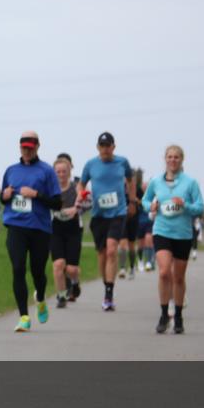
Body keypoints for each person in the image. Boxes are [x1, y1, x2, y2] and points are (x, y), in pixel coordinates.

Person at [1, 132, 62, 331]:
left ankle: (41, 298)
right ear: (19, 148)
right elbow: (3, 198)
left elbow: (57, 203)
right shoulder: (11, 170)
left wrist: (36, 194)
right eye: (23, 147)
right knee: (18, 268)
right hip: (16, 227)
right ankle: (24, 316)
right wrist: (5, 195)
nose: (26, 151)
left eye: (30, 147)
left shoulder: (46, 171)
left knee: (37, 272)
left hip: (39, 228)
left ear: (37, 147)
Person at [142, 145, 204, 334]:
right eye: (169, 157)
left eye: (176, 157)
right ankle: (163, 314)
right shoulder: (156, 182)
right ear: (165, 159)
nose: (173, 160)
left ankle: (178, 316)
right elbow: (145, 201)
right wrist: (151, 206)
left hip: (183, 234)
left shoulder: (190, 183)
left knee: (178, 277)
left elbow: (200, 207)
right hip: (161, 231)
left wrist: (185, 206)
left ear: (182, 159)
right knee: (163, 272)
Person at [79, 132, 135, 311]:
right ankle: (106, 284)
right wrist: (82, 193)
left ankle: (109, 294)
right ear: (98, 147)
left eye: (108, 146)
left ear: (113, 147)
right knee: (102, 254)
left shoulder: (122, 162)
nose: (105, 149)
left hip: (118, 212)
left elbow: (130, 179)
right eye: (102, 146)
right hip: (98, 215)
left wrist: (132, 200)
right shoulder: (91, 164)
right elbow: (81, 183)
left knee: (112, 250)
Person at [50, 156, 83, 308]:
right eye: (58, 172)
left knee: (71, 269)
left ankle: (75, 282)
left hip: (73, 229)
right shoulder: (50, 189)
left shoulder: (76, 187)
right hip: (55, 228)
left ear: (69, 172)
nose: (61, 174)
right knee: (58, 264)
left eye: (64, 171)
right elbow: (43, 203)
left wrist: (76, 209)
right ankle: (62, 296)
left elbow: (88, 203)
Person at [119, 168, 145, 280]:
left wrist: (135, 200)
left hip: (134, 219)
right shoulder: (119, 188)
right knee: (123, 243)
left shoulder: (137, 189)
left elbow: (144, 203)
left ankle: (132, 267)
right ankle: (122, 268)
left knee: (131, 245)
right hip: (121, 218)